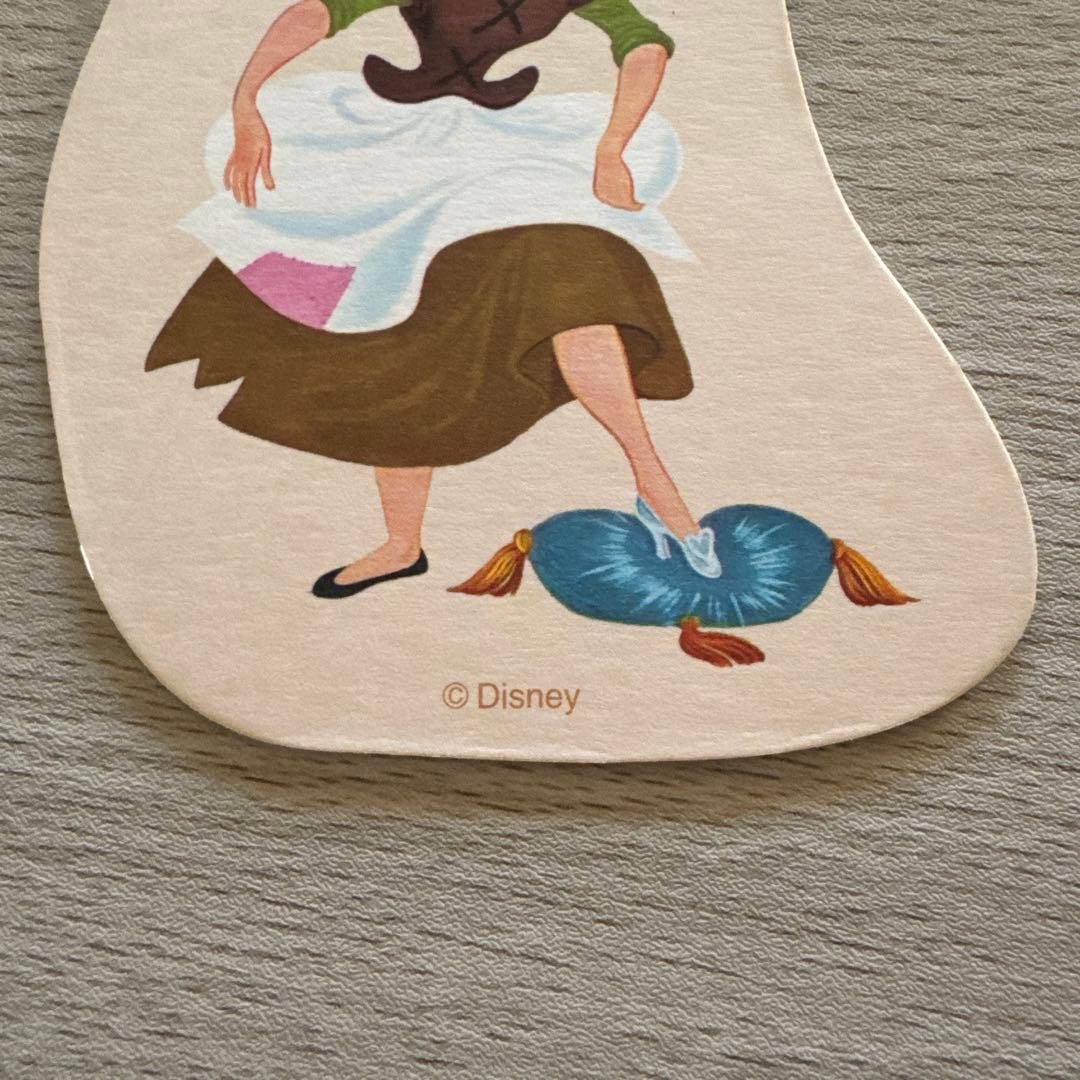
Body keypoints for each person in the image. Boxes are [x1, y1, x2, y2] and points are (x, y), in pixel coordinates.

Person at [147, 0, 724, 598]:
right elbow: (322, 9)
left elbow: (642, 42)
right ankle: (402, 545)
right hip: (398, 143)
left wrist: (612, 147)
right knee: (397, 332)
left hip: (504, 149)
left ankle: (657, 487)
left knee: (577, 270)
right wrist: (246, 103)